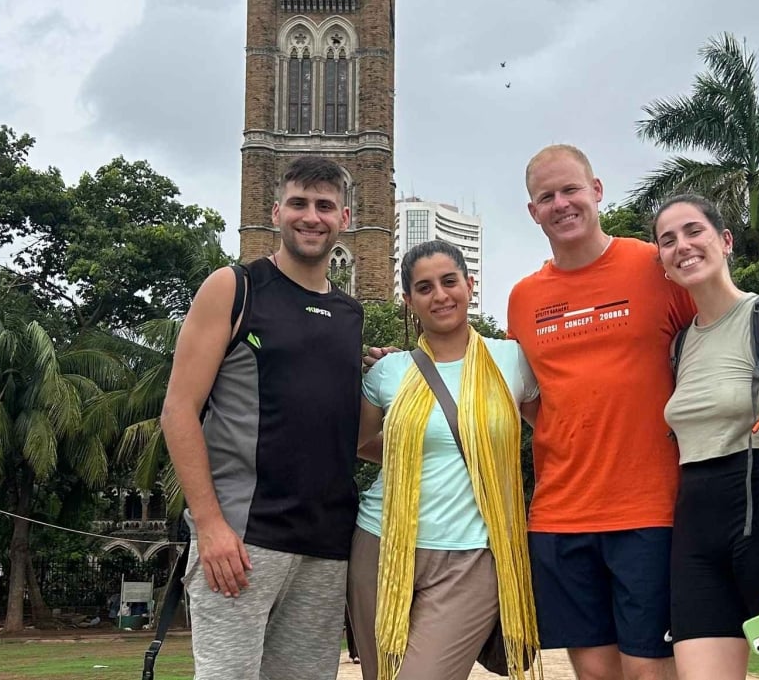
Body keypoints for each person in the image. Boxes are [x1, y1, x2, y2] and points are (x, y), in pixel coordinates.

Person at [506, 145, 759, 680]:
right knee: (594, 673)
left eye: (571, 189)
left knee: (649, 672)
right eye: (546, 196)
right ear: (532, 211)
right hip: (564, 513)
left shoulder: (653, 267)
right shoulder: (523, 298)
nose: (561, 203)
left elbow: (725, 313)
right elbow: (528, 398)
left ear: (596, 191)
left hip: (658, 510)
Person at [162, 156, 364, 680]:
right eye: (298, 203)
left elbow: (347, 433)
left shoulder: (350, 315)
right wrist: (208, 524)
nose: (311, 216)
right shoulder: (235, 287)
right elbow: (178, 411)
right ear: (276, 211)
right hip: (242, 538)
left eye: (325, 206)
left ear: (345, 217)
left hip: (325, 545)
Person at [348, 240, 542, 680]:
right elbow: (359, 443)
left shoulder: (511, 360)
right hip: (382, 544)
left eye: (449, 281)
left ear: (469, 285)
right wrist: (410, 456)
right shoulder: (388, 372)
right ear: (408, 300)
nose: (440, 295)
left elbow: (553, 434)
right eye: (424, 287)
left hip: (472, 556)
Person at [653, 194, 759, 680]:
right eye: (667, 241)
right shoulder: (679, 345)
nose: (682, 246)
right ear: (663, 264)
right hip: (696, 532)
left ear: (725, 241)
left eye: (693, 231)